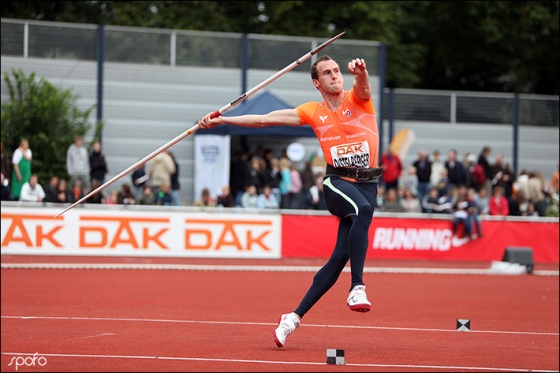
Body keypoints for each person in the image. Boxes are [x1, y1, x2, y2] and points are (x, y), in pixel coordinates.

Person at [199, 56, 381, 348]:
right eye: (327, 73)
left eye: (337, 71)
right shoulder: (311, 111)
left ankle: (292, 318)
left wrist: (362, 72)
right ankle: (357, 286)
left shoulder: (358, 100)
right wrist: (221, 120)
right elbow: (262, 119)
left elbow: (364, 85)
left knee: (338, 258)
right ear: (316, 82)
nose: (335, 76)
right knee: (365, 210)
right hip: (337, 183)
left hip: (367, 185)